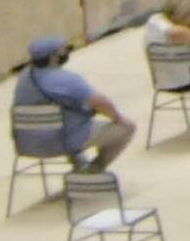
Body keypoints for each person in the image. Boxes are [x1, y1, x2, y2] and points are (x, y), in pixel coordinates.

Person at [14, 32, 127, 169]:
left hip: (27, 143)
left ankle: (80, 165)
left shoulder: (24, 77)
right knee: (127, 128)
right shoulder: (65, 80)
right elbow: (99, 102)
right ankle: (93, 172)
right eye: (63, 50)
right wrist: (117, 117)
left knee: (65, 119)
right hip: (62, 141)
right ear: (53, 57)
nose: (66, 52)